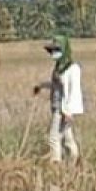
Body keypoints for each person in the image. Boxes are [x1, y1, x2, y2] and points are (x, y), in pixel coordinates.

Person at [33, 35, 84, 164]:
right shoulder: (59, 67)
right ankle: (75, 160)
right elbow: (56, 85)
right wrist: (41, 86)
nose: (53, 53)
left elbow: (73, 91)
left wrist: (68, 111)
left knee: (53, 137)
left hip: (62, 109)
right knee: (67, 136)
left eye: (57, 50)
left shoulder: (72, 69)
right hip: (56, 106)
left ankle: (56, 163)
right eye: (52, 50)